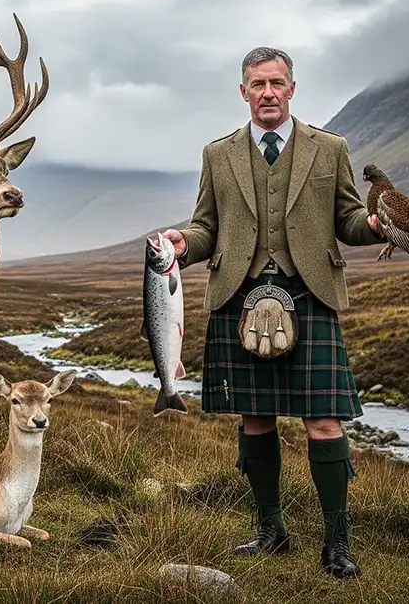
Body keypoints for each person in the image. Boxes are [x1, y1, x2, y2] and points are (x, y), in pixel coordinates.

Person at [163, 46, 386, 579]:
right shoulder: (218, 155)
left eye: (276, 83)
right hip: (239, 296)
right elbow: (206, 227)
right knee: (255, 417)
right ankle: (271, 530)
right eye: (257, 84)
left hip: (308, 295)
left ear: (292, 88)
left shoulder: (329, 149)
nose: (267, 93)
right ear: (243, 92)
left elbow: (348, 218)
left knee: (325, 421)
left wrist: (374, 227)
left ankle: (337, 543)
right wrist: (181, 244)